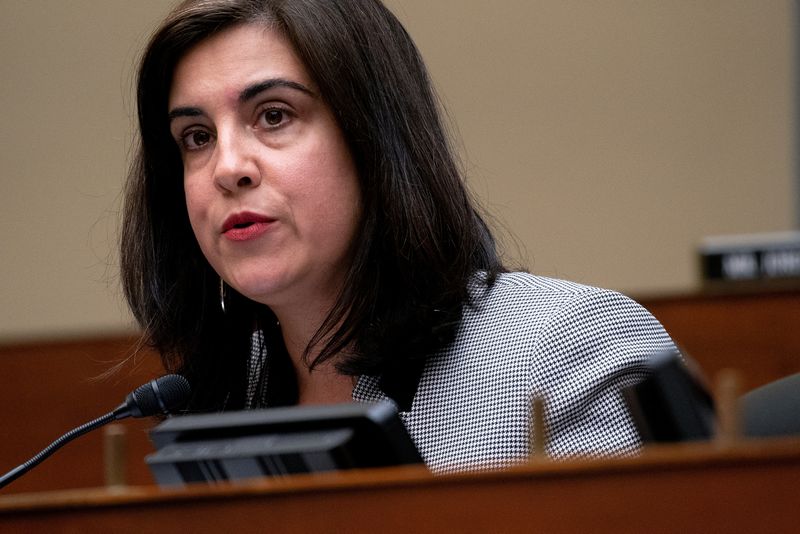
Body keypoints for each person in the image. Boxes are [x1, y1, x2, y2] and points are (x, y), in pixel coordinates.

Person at [121, 0, 676, 474]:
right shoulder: (212, 404)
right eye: (196, 137)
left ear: (374, 139)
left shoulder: (563, 348)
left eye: (273, 116)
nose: (227, 167)